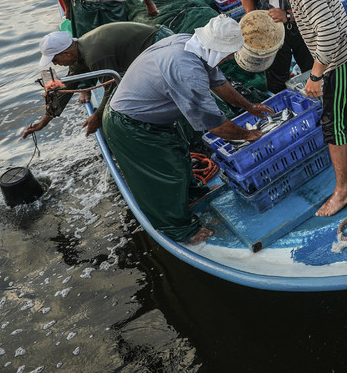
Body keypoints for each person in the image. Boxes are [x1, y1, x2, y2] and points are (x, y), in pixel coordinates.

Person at [102, 15, 274, 244]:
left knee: (178, 156)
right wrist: (247, 135)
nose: (230, 57)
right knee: (164, 174)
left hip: (152, 118)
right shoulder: (186, 69)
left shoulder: (194, 45)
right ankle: (178, 229)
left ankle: (191, 193)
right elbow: (216, 125)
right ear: (218, 48)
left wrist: (248, 106)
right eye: (229, 52)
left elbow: (219, 84)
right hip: (129, 124)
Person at [239, 0, 347, 217]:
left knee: (332, 123)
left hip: (339, 60)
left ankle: (344, 190)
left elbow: (330, 33)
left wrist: (316, 76)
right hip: (338, 56)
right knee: (336, 116)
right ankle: (345, 142)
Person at [22, 22, 173, 138]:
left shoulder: (94, 55)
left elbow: (112, 88)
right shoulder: (79, 49)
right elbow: (68, 86)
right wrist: (44, 120)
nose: (55, 64)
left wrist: (98, 115)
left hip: (162, 43)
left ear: (66, 53)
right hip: (151, 45)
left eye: (55, 59)